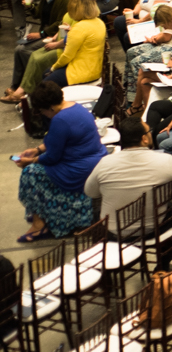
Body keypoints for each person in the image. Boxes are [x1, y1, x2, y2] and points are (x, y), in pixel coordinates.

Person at [85, 118, 172, 266]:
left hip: (115, 233)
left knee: (96, 212)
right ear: (144, 138)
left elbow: (90, 192)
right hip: (153, 229)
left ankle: (104, 267)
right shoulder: (165, 161)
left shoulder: (105, 163)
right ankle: (162, 265)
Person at [13, 82, 104, 242]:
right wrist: (37, 150)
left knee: (31, 173)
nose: (43, 115)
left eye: (42, 111)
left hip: (78, 170)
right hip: (95, 161)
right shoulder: (76, 108)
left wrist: (31, 161)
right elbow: (60, 140)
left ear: (50, 108)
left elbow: (52, 157)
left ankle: (39, 225)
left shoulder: (60, 120)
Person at [4, 0, 69, 104]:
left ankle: (31, 87)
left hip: (52, 35)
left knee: (24, 50)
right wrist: (31, 6)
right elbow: (39, 13)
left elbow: (60, 23)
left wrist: (41, 34)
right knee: (19, 50)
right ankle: (17, 86)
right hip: (45, 32)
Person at [45, 0, 106, 88]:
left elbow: (67, 56)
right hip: (95, 71)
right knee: (47, 74)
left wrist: (54, 67)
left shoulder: (79, 28)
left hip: (79, 74)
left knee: (44, 86)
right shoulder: (100, 23)